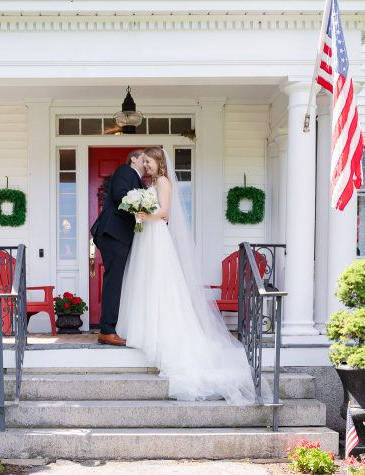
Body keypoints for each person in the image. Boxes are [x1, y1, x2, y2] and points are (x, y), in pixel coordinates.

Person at [117, 147, 260, 404]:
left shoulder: (163, 182)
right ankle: (144, 330)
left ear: (158, 161)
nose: (146, 166)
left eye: (148, 161)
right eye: (145, 162)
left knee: (160, 284)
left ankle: (161, 334)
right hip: (146, 237)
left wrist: (143, 214)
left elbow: (164, 213)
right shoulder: (150, 183)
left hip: (157, 236)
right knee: (146, 283)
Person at [89, 149, 148, 346]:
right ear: (133, 159)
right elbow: (120, 196)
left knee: (121, 281)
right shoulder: (125, 171)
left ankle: (115, 326)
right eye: (143, 159)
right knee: (114, 281)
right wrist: (144, 207)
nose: (146, 163)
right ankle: (107, 330)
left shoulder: (139, 180)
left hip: (122, 235)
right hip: (114, 234)